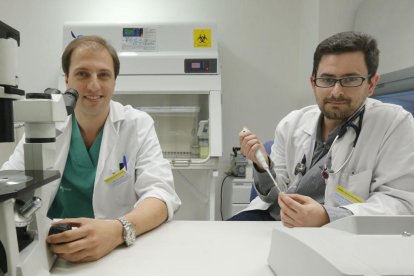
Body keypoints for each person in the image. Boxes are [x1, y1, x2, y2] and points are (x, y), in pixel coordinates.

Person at [1, 35, 181, 261]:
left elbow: (161, 195)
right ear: (67, 80)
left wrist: (117, 230)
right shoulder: (43, 125)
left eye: (103, 75)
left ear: (114, 81)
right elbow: (9, 182)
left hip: (115, 249)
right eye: (82, 74)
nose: (94, 85)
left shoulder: (136, 124)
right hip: (50, 250)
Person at [230, 31, 414, 226]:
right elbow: (274, 195)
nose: (336, 91)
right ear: (313, 83)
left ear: (371, 84)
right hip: (276, 220)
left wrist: (328, 216)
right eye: (327, 79)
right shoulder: (292, 124)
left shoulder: (395, 124)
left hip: (342, 233)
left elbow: (400, 204)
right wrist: (261, 164)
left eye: (350, 79)